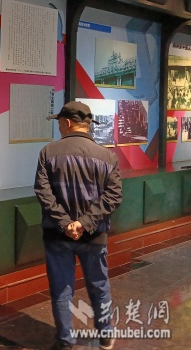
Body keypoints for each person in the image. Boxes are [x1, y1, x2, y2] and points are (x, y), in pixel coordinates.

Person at [35, 101, 122, 350]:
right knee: (99, 285)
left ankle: (65, 341)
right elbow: (114, 196)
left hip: (57, 234)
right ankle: (105, 335)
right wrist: (84, 223)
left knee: (61, 289)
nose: (59, 126)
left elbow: (43, 192)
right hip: (94, 235)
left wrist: (66, 223)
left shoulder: (48, 153)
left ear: (67, 122)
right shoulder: (108, 156)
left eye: (59, 122)